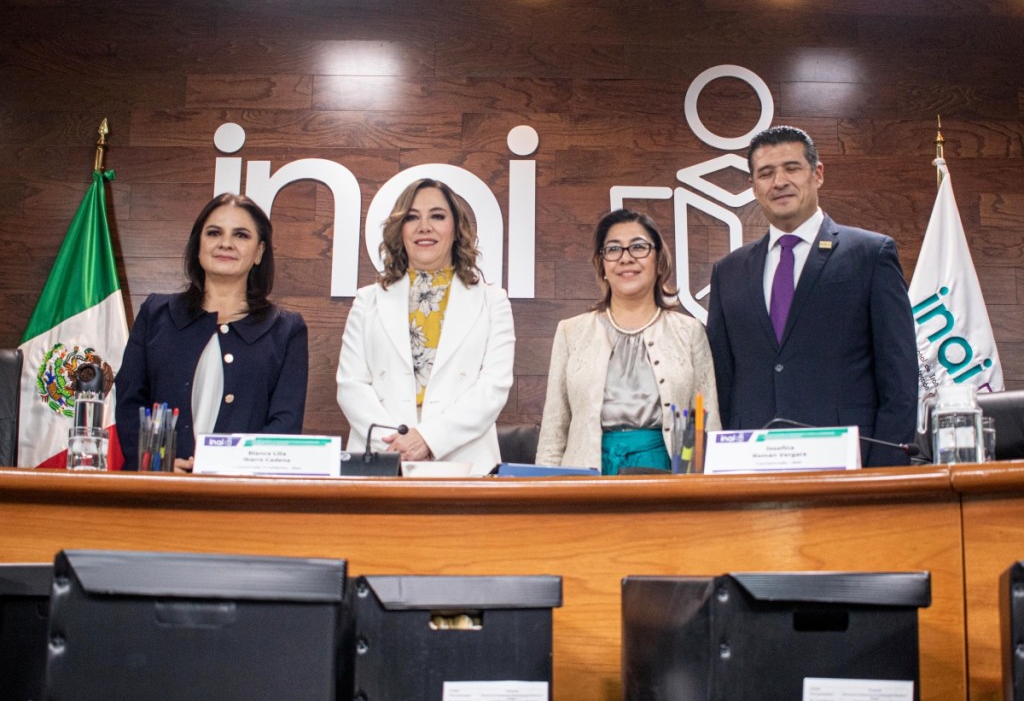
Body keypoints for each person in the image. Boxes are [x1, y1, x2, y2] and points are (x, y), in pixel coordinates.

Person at [705, 125, 917, 467]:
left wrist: (883, 471)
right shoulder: (728, 271)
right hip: (749, 467)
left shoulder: (870, 255)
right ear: (753, 187)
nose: (779, 182)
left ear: (817, 174)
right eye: (766, 173)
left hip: (848, 466)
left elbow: (900, 377)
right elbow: (721, 381)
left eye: (792, 168)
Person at [115, 193, 308, 471]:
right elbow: (130, 402)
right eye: (214, 233)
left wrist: (230, 471)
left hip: (241, 499)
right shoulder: (156, 313)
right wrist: (158, 466)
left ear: (259, 253)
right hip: (156, 490)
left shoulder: (286, 330)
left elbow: (284, 425)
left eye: (241, 235)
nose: (225, 243)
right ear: (198, 245)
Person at [336, 178, 515, 475]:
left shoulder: (493, 301)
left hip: (463, 460)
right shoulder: (367, 301)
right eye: (412, 217)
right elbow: (351, 386)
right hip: (381, 459)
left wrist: (429, 439)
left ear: (456, 229)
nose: (424, 227)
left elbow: (492, 388)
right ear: (400, 229)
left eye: (437, 216)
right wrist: (399, 445)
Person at [536, 209, 719, 474]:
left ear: (659, 260)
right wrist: (545, 494)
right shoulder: (571, 332)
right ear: (602, 265)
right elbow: (554, 429)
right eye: (613, 249)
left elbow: (707, 422)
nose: (625, 258)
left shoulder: (689, 331)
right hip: (586, 475)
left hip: (665, 472)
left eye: (638, 247)